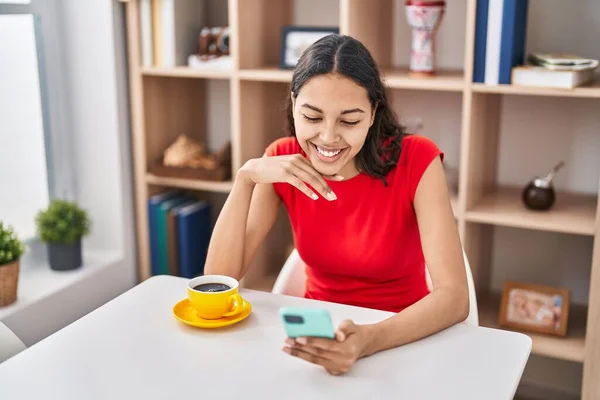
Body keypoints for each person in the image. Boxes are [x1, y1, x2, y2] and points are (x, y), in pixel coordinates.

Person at [204, 34, 469, 375]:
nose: (328, 138)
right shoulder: (282, 160)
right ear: (294, 103)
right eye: (312, 117)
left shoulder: (416, 159)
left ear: (374, 113)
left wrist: (368, 340)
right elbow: (218, 279)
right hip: (316, 341)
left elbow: (454, 297)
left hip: (401, 337)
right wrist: (245, 179)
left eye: (349, 121)